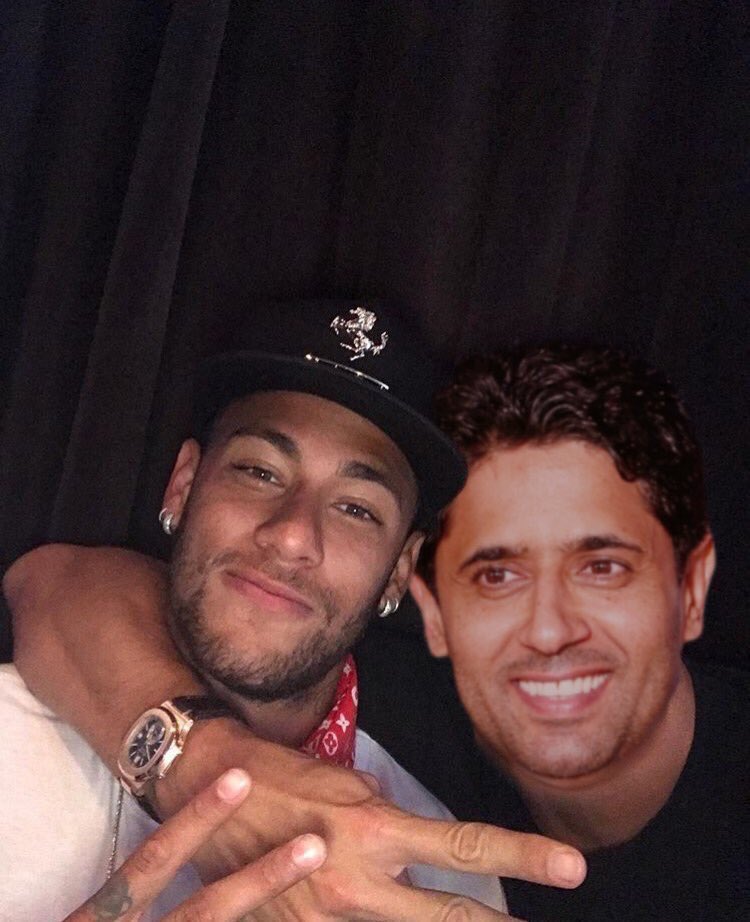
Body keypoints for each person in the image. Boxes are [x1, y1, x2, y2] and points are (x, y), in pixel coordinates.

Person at [2, 302, 585, 920]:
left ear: (400, 568)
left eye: (357, 509)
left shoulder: (439, 872)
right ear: (183, 485)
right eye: (259, 472)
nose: (292, 536)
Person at [406, 344, 750, 921]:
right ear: (436, 615)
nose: (549, 631)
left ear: (690, 591)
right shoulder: (395, 735)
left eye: (603, 568)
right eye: (497, 576)